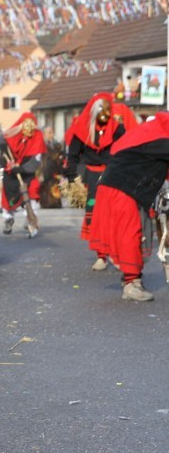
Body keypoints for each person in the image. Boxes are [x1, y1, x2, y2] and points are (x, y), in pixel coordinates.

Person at [89, 113, 169, 301]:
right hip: (121, 189)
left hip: (121, 188)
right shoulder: (157, 139)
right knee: (130, 234)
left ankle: (132, 281)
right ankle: (131, 284)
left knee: (137, 234)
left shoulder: (149, 134)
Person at [64, 93, 138, 268]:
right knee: (96, 215)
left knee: (115, 215)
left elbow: (125, 151)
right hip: (91, 177)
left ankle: (115, 251)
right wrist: (71, 177)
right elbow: (73, 155)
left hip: (112, 176)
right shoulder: (81, 129)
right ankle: (101, 255)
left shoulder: (117, 128)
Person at [0, 112, 45, 237]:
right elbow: (2, 140)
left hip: (27, 172)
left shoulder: (38, 136)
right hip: (11, 171)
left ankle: (29, 218)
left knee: (33, 190)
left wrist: (22, 169)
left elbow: (36, 160)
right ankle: (8, 218)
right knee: (8, 195)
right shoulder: (12, 133)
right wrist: (1, 145)